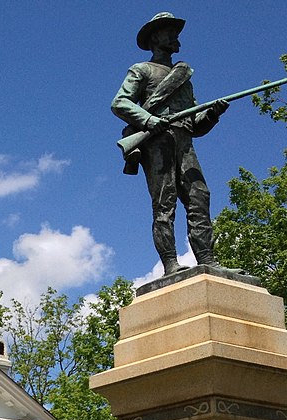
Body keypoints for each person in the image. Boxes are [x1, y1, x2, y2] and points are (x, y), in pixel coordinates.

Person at [111, 12, 228, 277]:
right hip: (158, 141)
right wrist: (149, 120)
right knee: (165, 203)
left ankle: (207, 259)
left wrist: (212, 114)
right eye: (168, 31)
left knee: (200, 197)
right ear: (155, 38)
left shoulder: (183, 76)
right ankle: (170, 264)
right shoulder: (142, 70)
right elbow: (120, 102)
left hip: (185, 140)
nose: (175, 37)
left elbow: (195, 123)